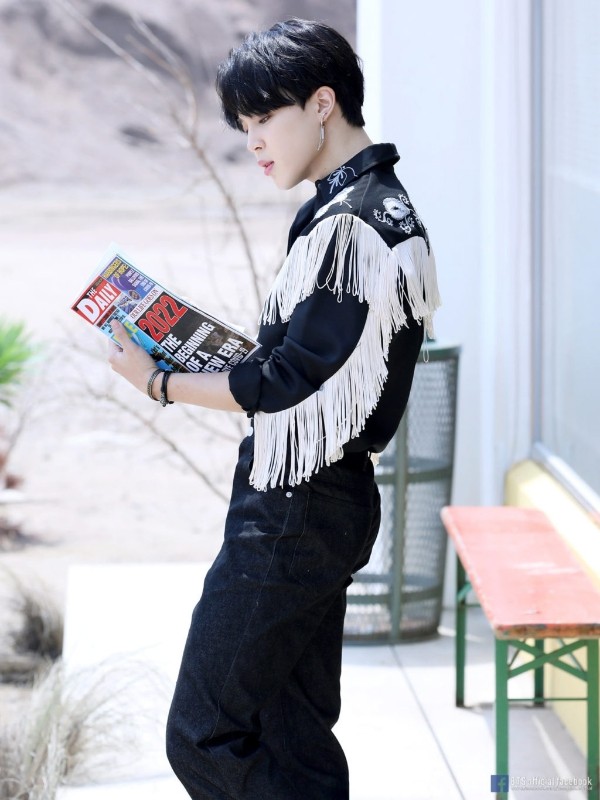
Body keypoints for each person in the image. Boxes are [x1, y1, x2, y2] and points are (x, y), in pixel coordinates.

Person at [108, 17, 440, 800]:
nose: (253, 141)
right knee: (294, 740)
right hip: (317, 500)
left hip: (297, 507)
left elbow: (289, 379)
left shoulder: (354, 224)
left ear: (322, 103)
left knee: (203, 733)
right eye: (243, 124)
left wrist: (159, 382)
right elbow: (312, 365)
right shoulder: (361, 208)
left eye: (264, 117)